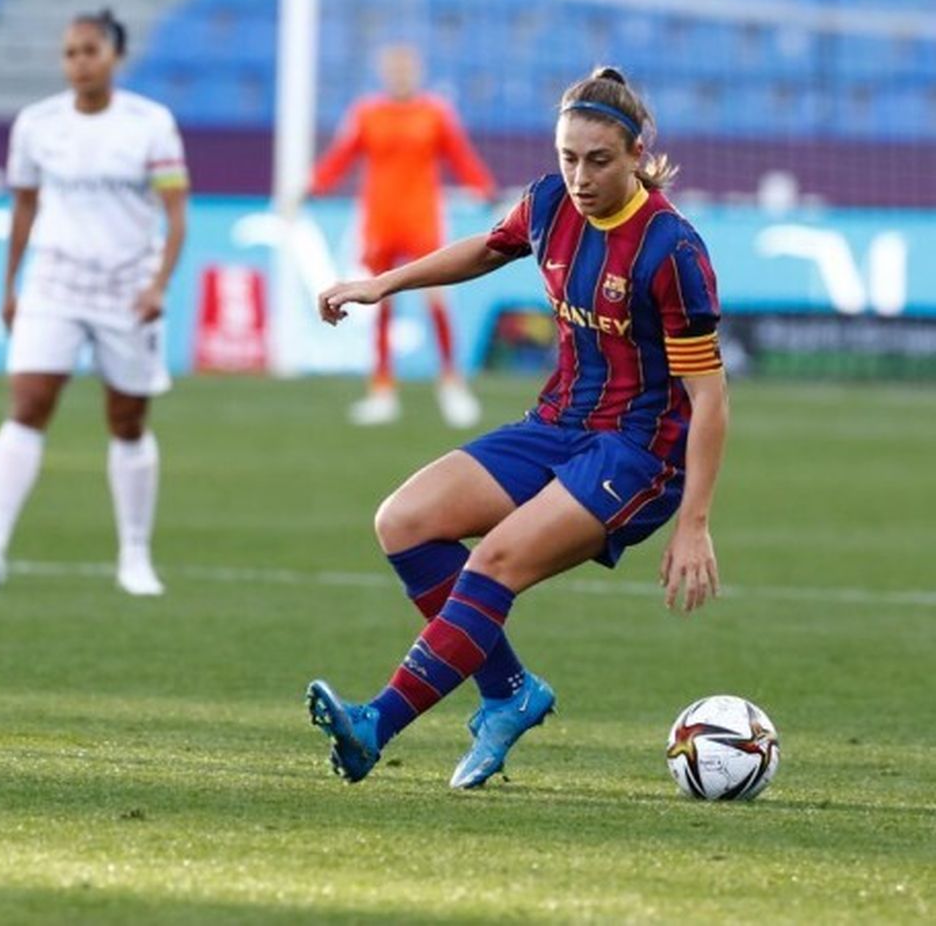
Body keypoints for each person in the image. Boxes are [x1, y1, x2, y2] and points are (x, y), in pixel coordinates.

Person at [304, 67, 727, 788]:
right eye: (568, 157)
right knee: (403, 522)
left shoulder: (671, 252)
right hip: (557, 421)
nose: (581, 177)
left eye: (599, 161)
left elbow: (709, 395)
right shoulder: (548, 204)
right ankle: (508, 693)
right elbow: (487, 247)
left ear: (637, 153)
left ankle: (374, 724)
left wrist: (694, 522)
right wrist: (383, 283)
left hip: (637, 453)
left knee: (493, 563)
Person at [0, 9, 189, 596]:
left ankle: (135, 555)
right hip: (53, 284)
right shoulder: (37, 124)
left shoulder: (150, 124)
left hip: (126, 289)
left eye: (90, 51)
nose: (79, 63)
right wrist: (10, 286)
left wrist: (158, 285)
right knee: (29, 403)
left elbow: (176, 214)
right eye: (70, 53)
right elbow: (24, 208)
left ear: (116, 57)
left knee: (127, 420)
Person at [304, 43, 498, 428]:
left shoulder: (435, 113)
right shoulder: (367, 113)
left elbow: (460, 156)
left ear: (417, 72)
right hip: (380, 221)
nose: (400, 75)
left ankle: (451, 384)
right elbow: (342, 155)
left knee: (436, 300)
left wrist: (483, 187)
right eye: (393, 69)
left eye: (406, 69)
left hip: (422, 220)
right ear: (384, 73)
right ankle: (382, 390)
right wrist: (314, 185)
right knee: (379, 302)